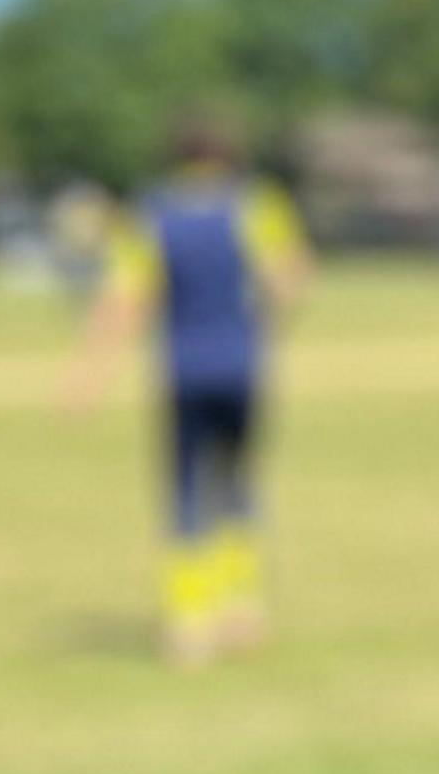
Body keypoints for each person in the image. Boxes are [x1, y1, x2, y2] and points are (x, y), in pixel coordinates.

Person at [74, 116, 311, 667]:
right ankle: (242, 610)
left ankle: (188, 624)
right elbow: (291, 280)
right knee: (236, 483)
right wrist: (266, 325)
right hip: (242, 366)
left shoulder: (153, 214)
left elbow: (124, 300)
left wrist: (88, 374)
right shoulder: (255, 205)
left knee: (185, 490)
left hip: (184, 370)